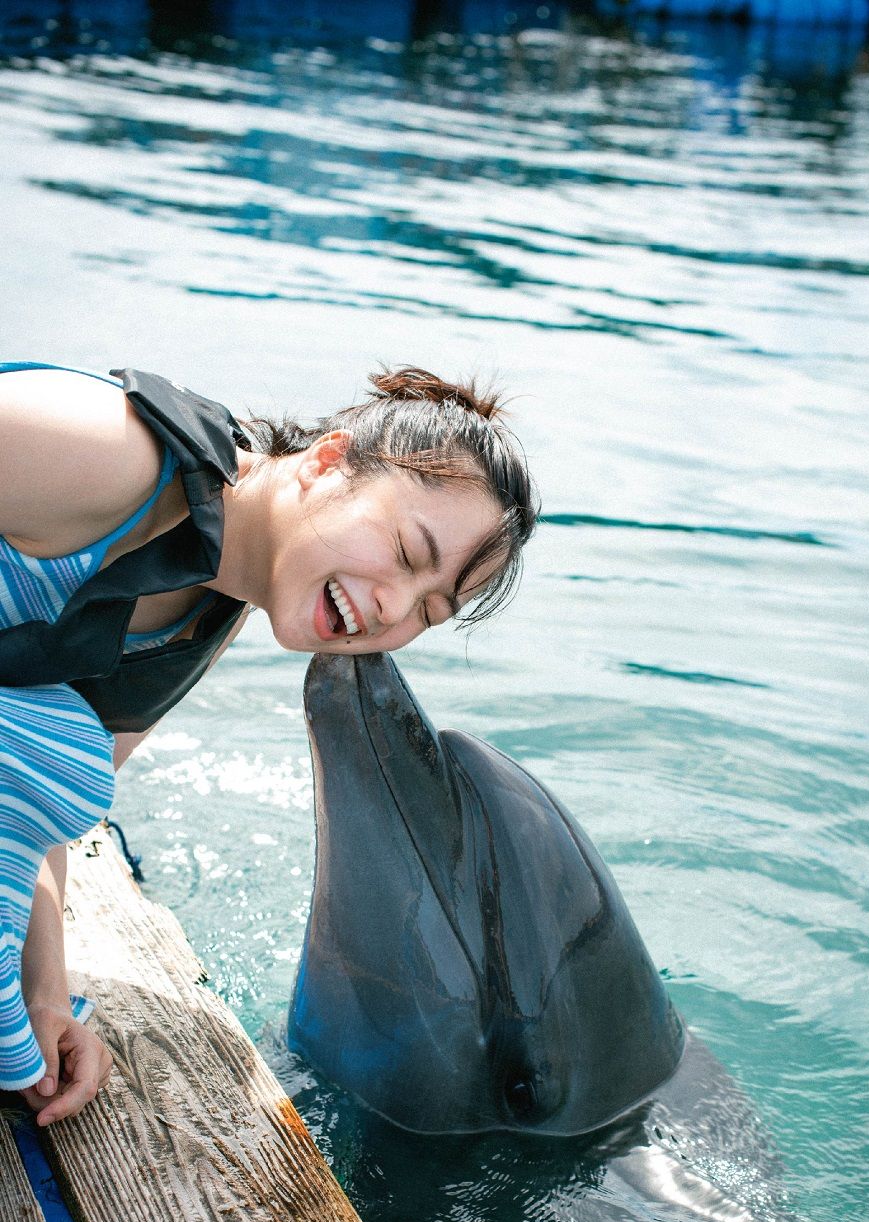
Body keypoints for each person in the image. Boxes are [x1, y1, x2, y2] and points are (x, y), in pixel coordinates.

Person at [0, 360, 536, 1126]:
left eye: (431, 608)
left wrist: (45, 995)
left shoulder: (205, 618)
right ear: (325, 464)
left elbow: (34, 815)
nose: (393, 610)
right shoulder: (108, 453)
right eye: (407, 553)